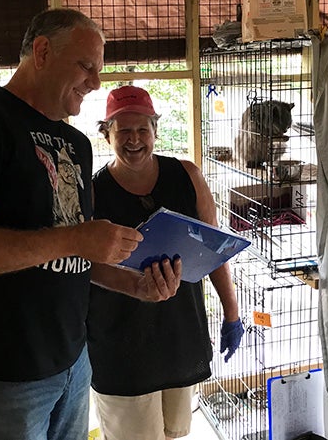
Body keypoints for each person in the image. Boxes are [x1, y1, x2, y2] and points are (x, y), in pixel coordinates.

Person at [0, 9, 181, 440]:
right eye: (86, 66)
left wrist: (133, 285)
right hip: (0, 374)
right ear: (41, 52)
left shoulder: (76, 143)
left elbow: (73, 254)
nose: (95, 82)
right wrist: (77, 237)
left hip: (72, 362)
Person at [88, 85, 245, 440]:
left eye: (143, 129)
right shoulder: (94, 191)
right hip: (121, 343)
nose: (134, 139)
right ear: (106, 133)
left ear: (155, 131)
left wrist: (232, 314)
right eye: (123, 130)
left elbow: (215, 249)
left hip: (179, 335)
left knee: (175, 432)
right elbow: (83, 266)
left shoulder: (186, 175)